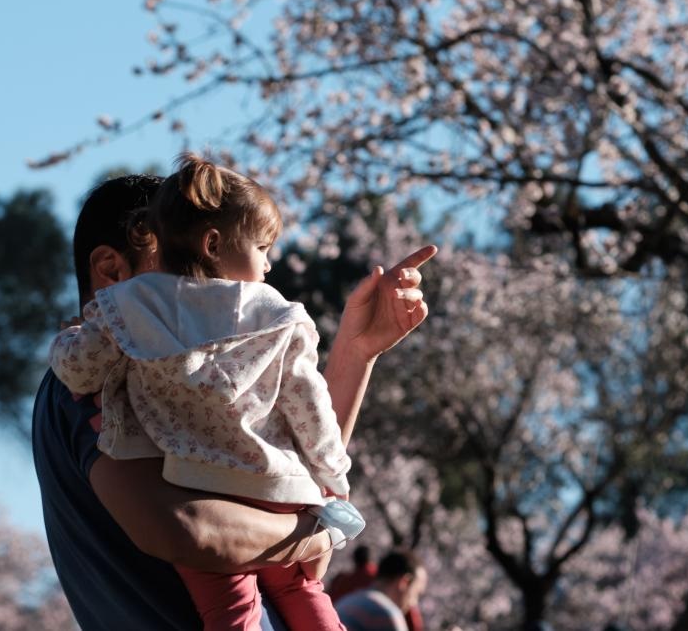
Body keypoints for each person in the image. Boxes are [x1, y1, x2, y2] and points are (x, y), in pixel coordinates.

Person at [34, 173, 436, 630]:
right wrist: (314, 532)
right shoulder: (88, 383)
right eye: (174, 265)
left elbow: (287, 470)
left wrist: (355, 353)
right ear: (111, 270)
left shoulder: (169, 370)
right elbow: (191, 529)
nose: (212, 286)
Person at [336, 550, 428, 631]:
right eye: (416, 593)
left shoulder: (348, 600)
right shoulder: (387, 614)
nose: (414, 603)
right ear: (404, 582)